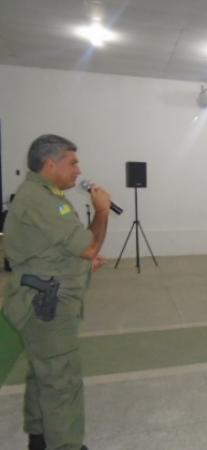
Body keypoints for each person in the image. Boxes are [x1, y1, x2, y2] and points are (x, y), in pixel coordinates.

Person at [2, 134, 112, 450]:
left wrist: (80, 261)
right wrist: (102, 211)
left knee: (43, 372)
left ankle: (39, 436)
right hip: (45, 306)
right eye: (72, 162)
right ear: (51, 163)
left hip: (36, 297)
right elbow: (89, 246)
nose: (78, 170)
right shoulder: (43, 200)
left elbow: (56, 247)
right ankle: (65, 445)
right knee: (61, 380)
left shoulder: (43, 194)